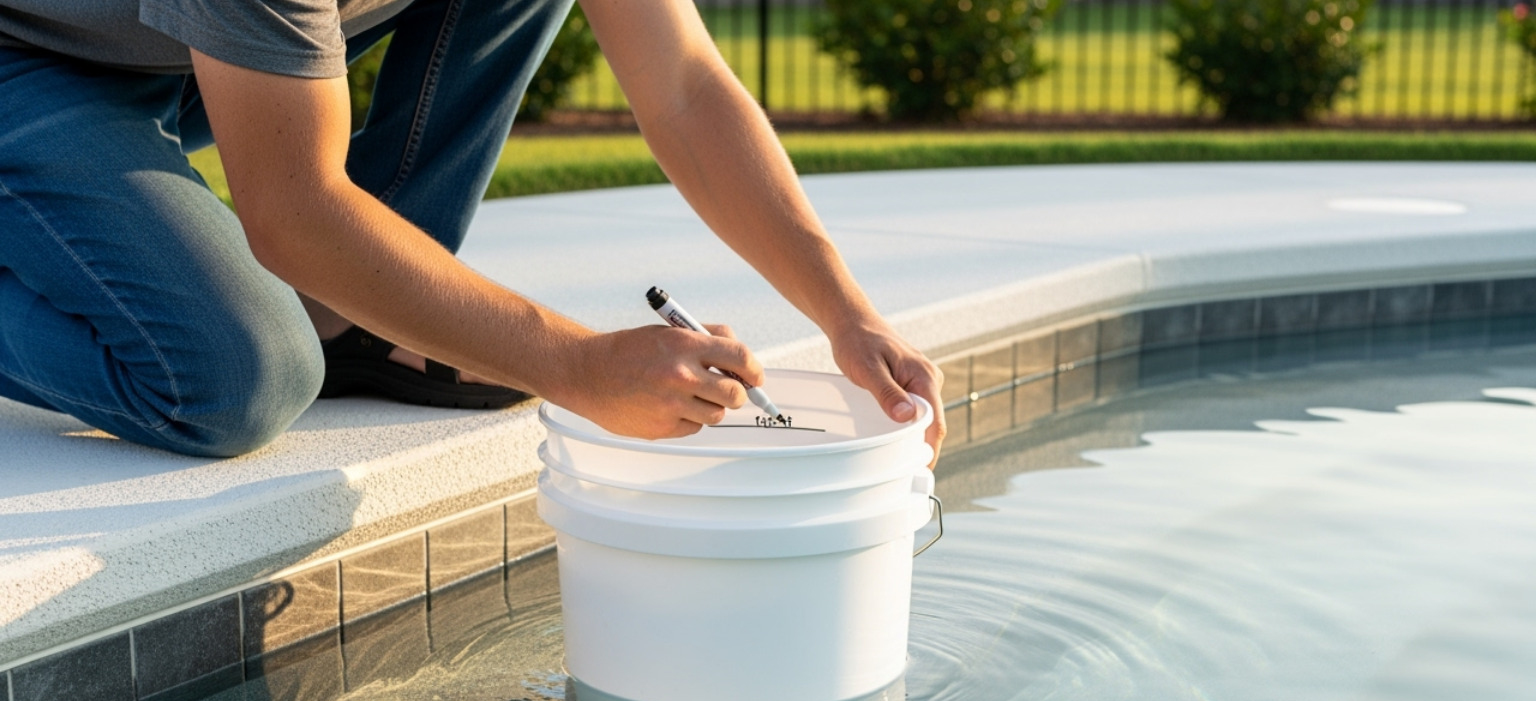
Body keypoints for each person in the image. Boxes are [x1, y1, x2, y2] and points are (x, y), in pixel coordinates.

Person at [0, 0, 945, 461]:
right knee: (233, 378)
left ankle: (358, 318)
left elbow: (686, 84)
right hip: (28, 58)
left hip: (163, 43)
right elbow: (291, 208)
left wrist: (848, 314)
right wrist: (576, 365)